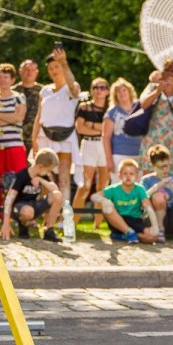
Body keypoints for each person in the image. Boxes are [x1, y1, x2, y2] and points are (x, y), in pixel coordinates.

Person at [32, 47, 80, 199]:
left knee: (64, 179)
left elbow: (73, 88)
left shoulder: (71, 88)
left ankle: (64, 211)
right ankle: (47, 210)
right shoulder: (45, 90)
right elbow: (39, 116)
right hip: (45, 136)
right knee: (46, 178)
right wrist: (34, 140)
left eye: (56, 66)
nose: (54, 70)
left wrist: (64, 62)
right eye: (50, 68)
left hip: (65, 137)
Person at [138, 59, 173, 182]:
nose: (171, 74)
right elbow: (143, 104)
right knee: (150, 179)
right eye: (168, 70)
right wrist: (158, 90)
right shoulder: (153, 86)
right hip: (153, 141)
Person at [0, 149, 63, 242]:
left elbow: (55, 189)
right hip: (20, 208)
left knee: (57, 195)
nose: (49, 172)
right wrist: (6, 223)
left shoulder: (43, 176)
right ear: (41, 167)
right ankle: (23, 226)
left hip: (34, 205)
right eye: (49, 170)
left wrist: (40, 180)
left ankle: (49, 230)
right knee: (28, 211)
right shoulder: (22, 175)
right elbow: (9, 199)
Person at [0, 63, 26, 209]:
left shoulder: (19, 97)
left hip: (15, 144)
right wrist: (10, 117)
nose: (2, 80)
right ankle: (0, 212)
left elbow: (19, 118)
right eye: (0, 77)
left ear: (12, 80)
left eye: (6, 77)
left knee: (18, 178)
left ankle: (20, 209)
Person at [93, 159, 160, 244]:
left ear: (136, 176)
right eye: (125, 173)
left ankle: (125, 236)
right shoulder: (113, 189)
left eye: (131, 174)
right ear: (119, 175)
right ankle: (128, 232)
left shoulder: (140, 189)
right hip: (118, 220)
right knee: (107, 207)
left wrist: (155, 226)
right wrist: (103, 200)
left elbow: (149, 208)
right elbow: (94, 197)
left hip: (135, 220)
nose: (128, 176)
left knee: (153, 237)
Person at [72, 77, 110, 226]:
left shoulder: (110, 109)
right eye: (95, 87)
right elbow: (80, 128)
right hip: (88, 145)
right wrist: (101, 129)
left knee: (103, 187)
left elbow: (111, 130)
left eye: (102, 87)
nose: (99, 91)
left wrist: (92, 125)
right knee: (85, 185)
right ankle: (73, 223)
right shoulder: (84, 107)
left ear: (107, 91)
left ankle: (97, 224)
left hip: (105, 146)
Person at [101, 78, 142, 182]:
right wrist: (109, 160)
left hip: (139, 154)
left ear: (129, 91)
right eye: (118, 91)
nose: (122, 93)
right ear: (115, 95)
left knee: (139, 187)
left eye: (124, 90)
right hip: (119, 155)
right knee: (120, 187)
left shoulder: (140, 108)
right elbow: (106, 137)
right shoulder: (112, 112)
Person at [16, 59, 41, 153]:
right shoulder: (12, 91)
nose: (29, 73)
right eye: (26, 69)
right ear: (20, 71)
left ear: (37, 72)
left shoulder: (43, 91)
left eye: (32, 70)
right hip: (16, 139)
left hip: (37, 138)